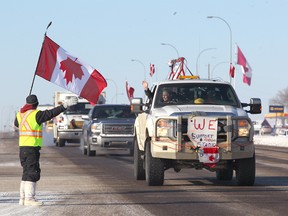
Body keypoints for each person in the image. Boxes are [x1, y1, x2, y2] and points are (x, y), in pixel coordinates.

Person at [14, 94, 77, 206]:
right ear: (36, 104)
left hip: (22, 148)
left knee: (26, 172)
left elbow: (16, 124)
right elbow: (51, 113)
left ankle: (22, 198)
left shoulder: (20, 114)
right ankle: (29, 198)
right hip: (31, 148)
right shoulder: (36, 114)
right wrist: (65, 106)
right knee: (32, 173)